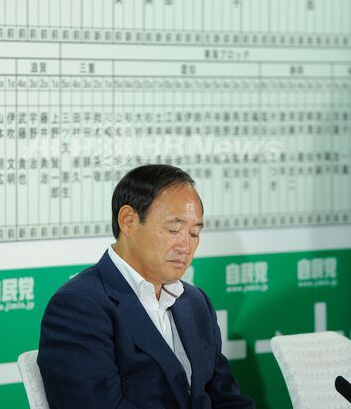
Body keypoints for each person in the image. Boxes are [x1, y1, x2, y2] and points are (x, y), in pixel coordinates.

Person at [38, 164, 254, 408]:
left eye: (194, 234)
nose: (185, 246)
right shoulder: (78, 306)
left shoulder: (195, 302)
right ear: (128, 221)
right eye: (174, 230)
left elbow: (228, 398)